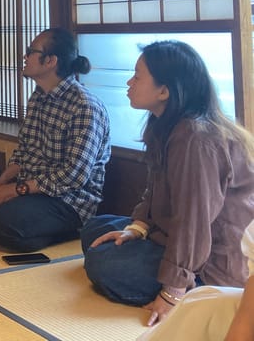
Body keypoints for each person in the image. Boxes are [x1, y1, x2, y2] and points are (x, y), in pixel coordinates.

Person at [81, 40, 254, 327]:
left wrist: (172, 292)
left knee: (102, 263)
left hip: (212, 257)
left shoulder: (196, 139)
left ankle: (190, 286)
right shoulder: (167, 124)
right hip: (174, 234)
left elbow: (195, 221)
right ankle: (153, 256)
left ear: (164, 90)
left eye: (137, 76)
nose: (129, 82)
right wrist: (136, 228)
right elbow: (156, 189)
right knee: (94, 230)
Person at [0, 28, 111, 251]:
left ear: (50, 61)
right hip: (30, 189)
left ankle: (68, 233)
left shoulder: (85, 106)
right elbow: (24, 151)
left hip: (68, 201)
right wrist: (1, 183)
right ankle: (24, 220)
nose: (25, 57)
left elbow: (73, 176)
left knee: (0, 225)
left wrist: (13, 191)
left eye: (31, 52)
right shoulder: (38, 97)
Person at [135, 218, 254, 341]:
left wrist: (174, 288)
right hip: (164, 237)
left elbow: (193, 222)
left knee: (119, 265)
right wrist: (138, 227)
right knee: (201, 303)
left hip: (210, 263)